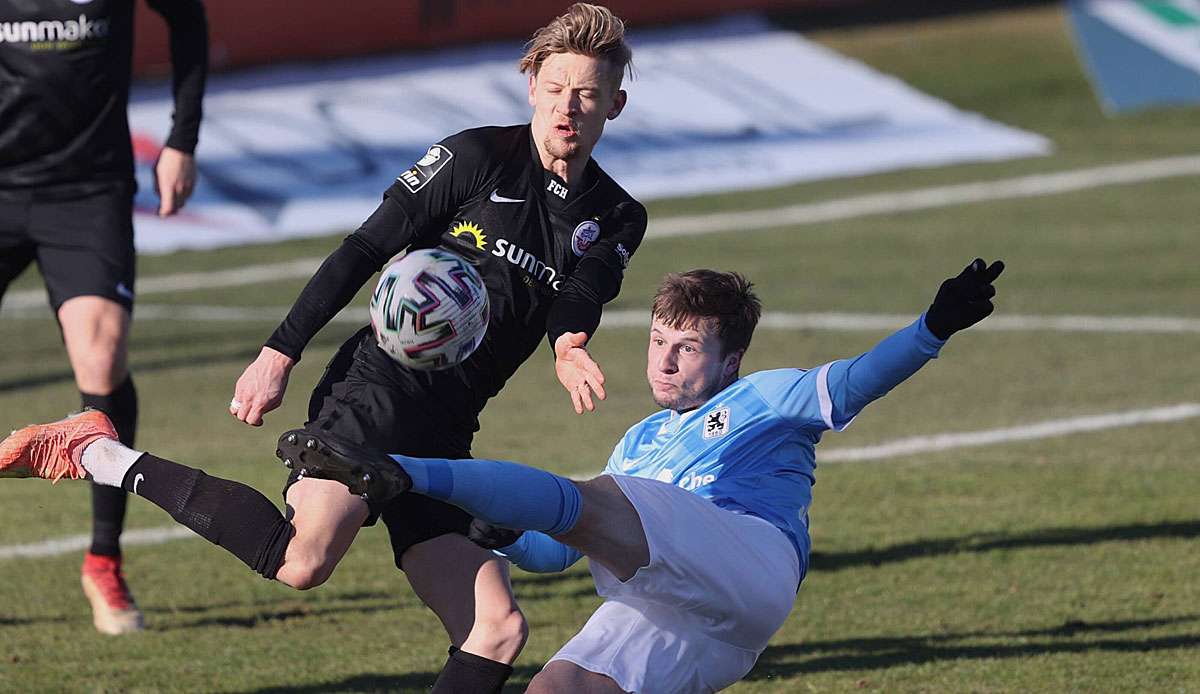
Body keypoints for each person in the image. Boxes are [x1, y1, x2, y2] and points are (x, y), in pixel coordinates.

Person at [2, 4, 643, 691]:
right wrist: (280, 352)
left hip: (447, 429)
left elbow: (585, 288)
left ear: (615, 103)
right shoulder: (478, 157)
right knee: (302, 562)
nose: (566, 108)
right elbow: (365, 248)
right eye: (553, 90)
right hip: (377, 394)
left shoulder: (615, 214)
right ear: (531, 89)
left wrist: (568, 341)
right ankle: (95, 450)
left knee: (498, 628)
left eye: (585, 94)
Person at [271, 258, 1006, 692]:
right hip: (686, 618)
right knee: (555, 688)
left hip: (749, 563)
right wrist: (496, 536)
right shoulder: (641, 440)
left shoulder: (765, 395)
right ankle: (413, 477)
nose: (664, 359)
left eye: (687, 348)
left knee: (601, 499)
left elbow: (858, 380)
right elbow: (558, 552)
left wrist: (932, 327)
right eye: (658, 341)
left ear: (730, 361)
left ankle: (399, 471)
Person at [0, 0, 208, 635]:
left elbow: (188, 20)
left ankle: (103, 559)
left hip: (87, 192)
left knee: (102, 357)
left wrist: (181, 139)